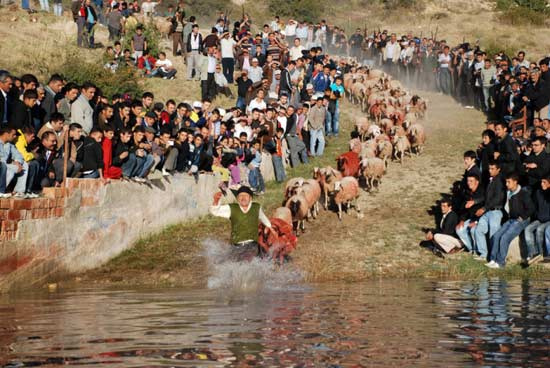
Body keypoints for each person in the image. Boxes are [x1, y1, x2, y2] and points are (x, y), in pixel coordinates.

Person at [209, 185, 273, 261]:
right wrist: (216, 200)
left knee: (249, 261)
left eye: (246, 196)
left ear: (250, 198)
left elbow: (265, 221)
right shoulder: (232, 208)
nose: (243, 198)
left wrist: (270, 228)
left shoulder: (256, 208)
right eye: (240, 196)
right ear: (237, 199)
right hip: (236, 245)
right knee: (232, 264)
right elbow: (215, 211)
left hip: (252, 244)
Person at [486, 172, 535, 269]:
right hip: (511, 219)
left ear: (515, 182)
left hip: (521, 220)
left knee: (505, 237)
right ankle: (493, 259)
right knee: (496, 236)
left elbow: (531, 208)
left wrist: (523, 217)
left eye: (508, 182)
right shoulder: (509, 193)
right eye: (506, 182)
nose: (506, 184)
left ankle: (500, 263)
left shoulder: (523, 194)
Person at [472, 161, 505, 261]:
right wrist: (475, 201)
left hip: (495, 212)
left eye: (492, 169)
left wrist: (483, 208)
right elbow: (486, 197)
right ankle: (483, 254)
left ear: (498, 169)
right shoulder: (491, 180)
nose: (490, 171)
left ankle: (493, 257)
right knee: (479, 230)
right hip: (488, 211)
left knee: (493, 234)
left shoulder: (500, 181)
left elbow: (497, 199)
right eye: (489, 168)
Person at [523, 176, 550, 265]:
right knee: (528, 229)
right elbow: (534, 206)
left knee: (540, 229)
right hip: (539, 218)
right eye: (541, 182)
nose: (542, 184)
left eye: (544, 182)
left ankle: (541, 254)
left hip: (548, 220)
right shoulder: (538, 192)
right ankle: (532, 253)